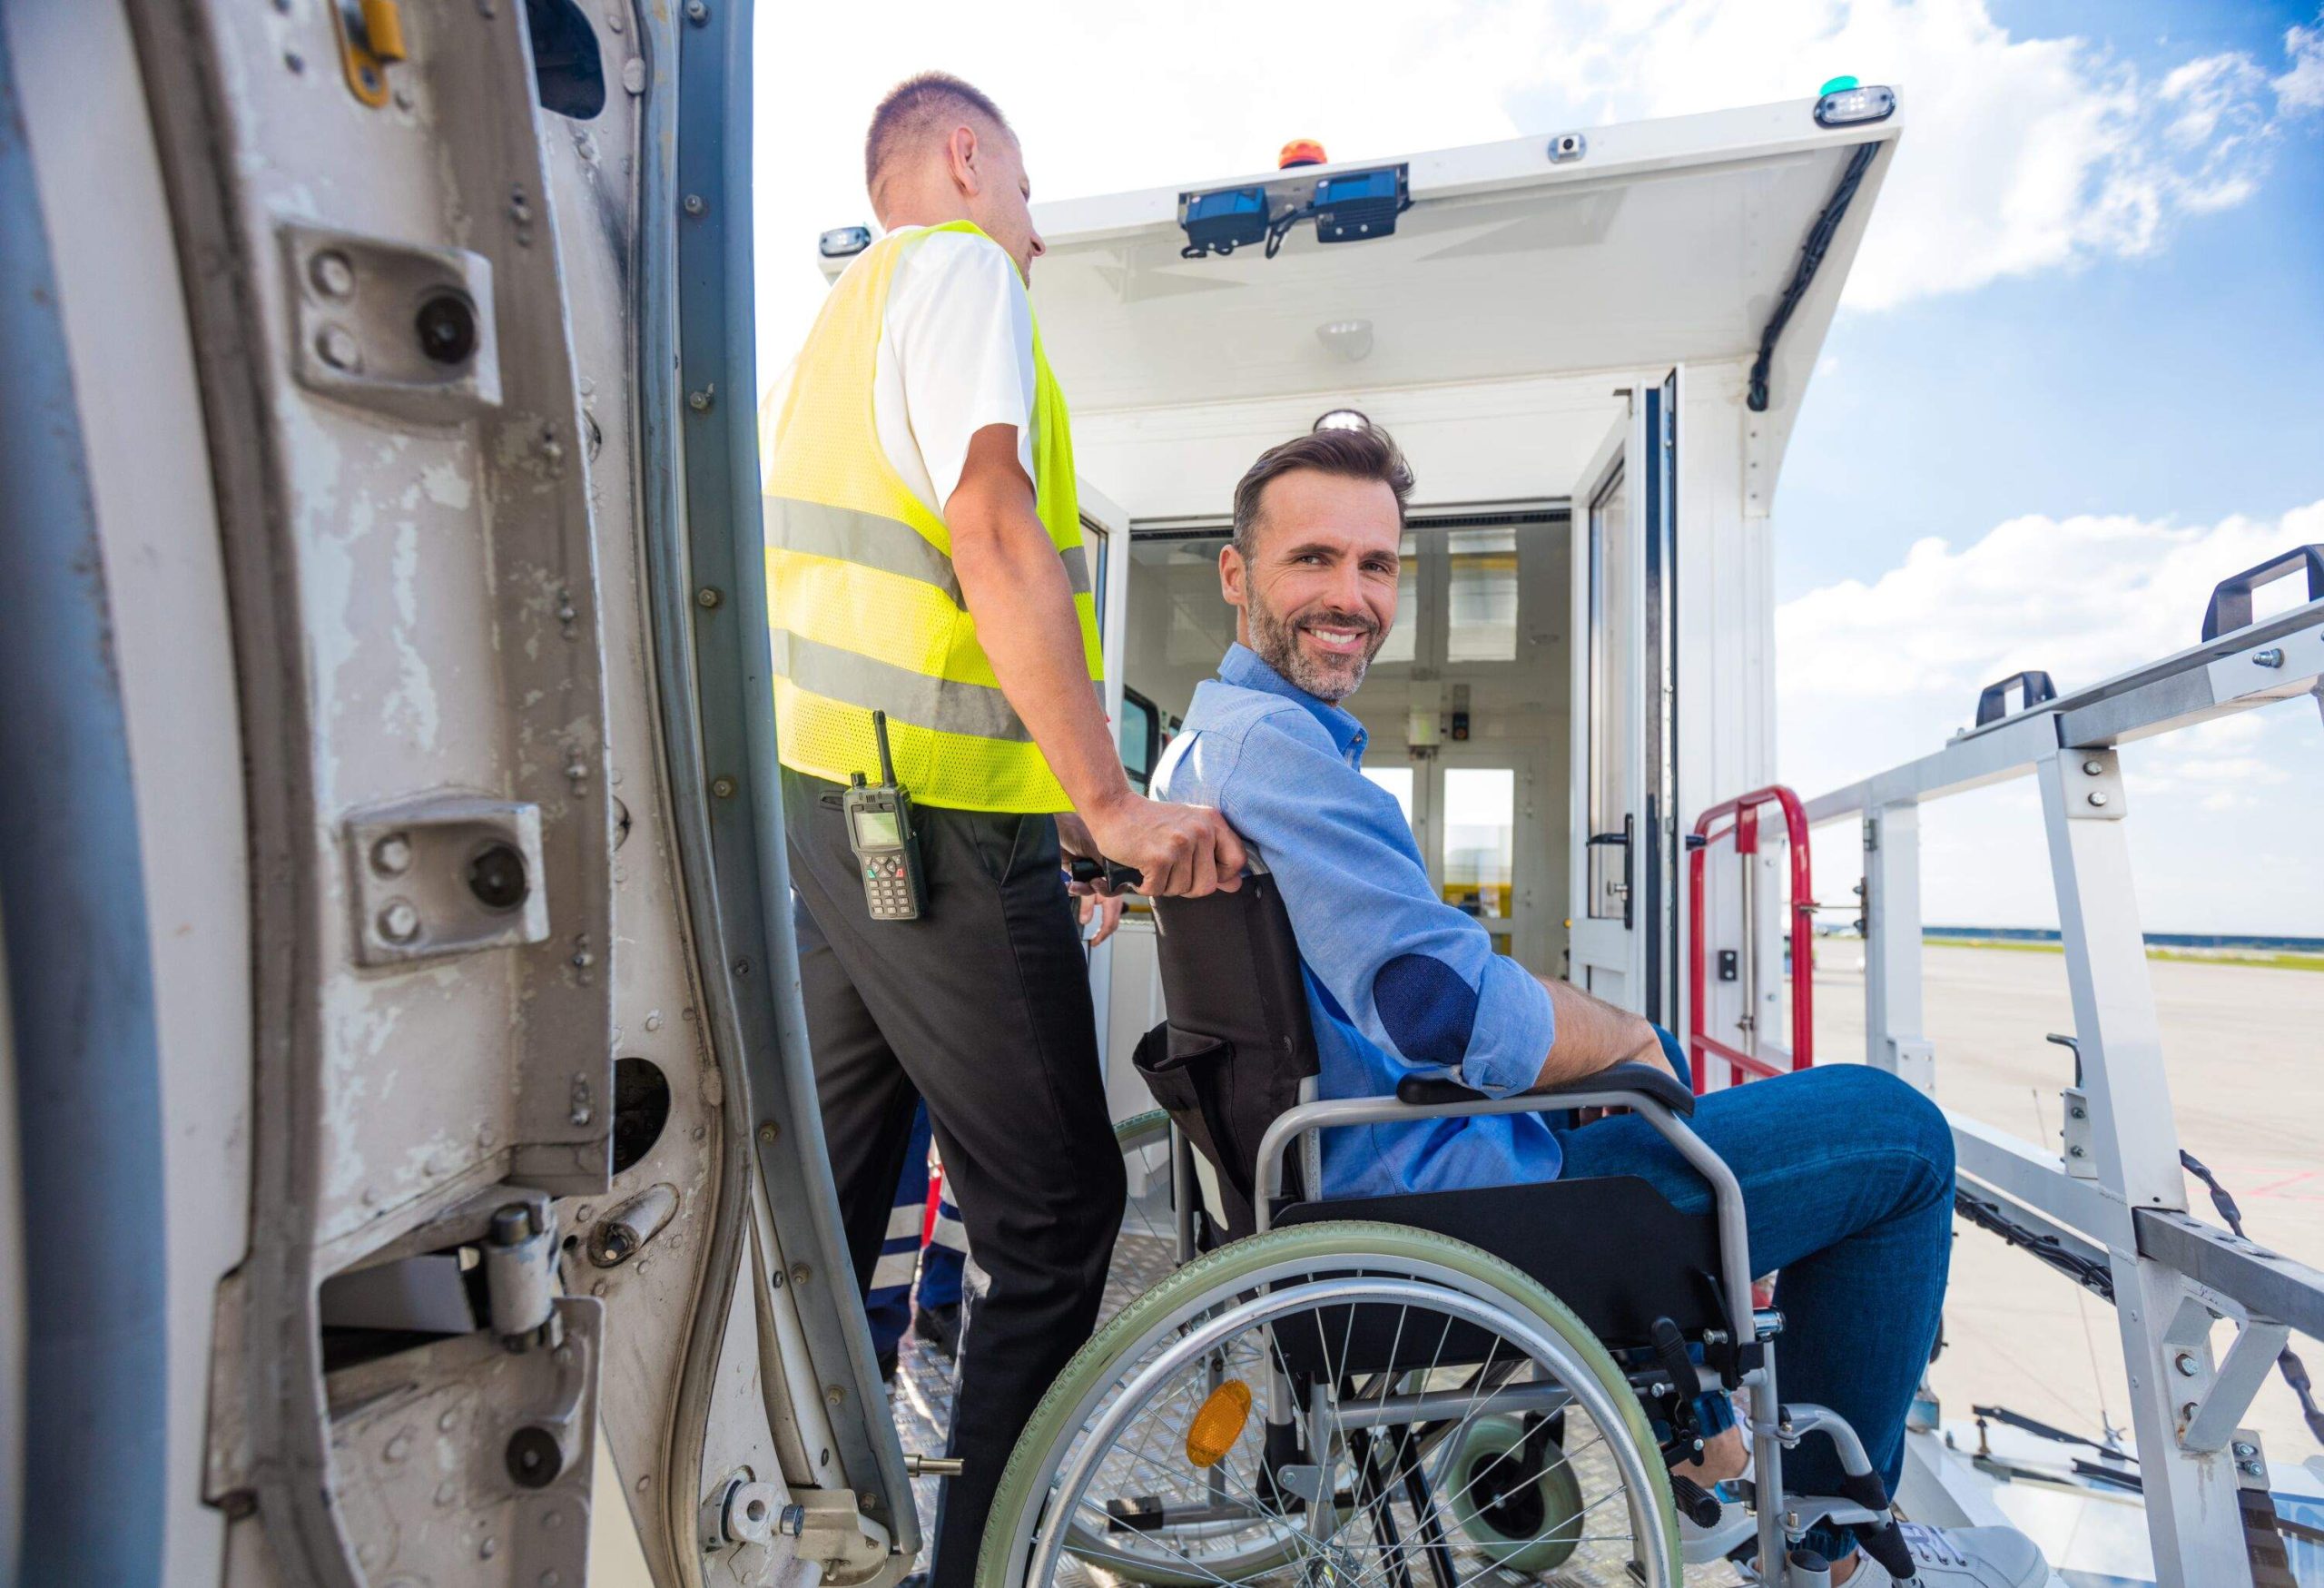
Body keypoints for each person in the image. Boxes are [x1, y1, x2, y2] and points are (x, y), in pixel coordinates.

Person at [1149, 423, 2046, 1588]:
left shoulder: (1203, 748)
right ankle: (1837, 1549)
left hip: (1348, 1189)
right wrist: (1626, 1038)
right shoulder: (1282, 753)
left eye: (1375, 567)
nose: (1351, 596)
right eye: (1312, 559)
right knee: (1895, 1134)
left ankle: (1704, 1451)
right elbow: (1438, 1011)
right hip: (1435, 1224)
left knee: (1614, 1107)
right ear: (1235, 575)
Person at [760, 72, 1245, 1586]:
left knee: (827, 1205)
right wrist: (1107, 796)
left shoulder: (824, 339)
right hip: (941, 822)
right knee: (1057, 1207)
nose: (1033, 237)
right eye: (1028, 194)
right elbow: (990, 526)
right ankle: (976, 1561)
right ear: (968, 161)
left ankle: (797, 1530)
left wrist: (1068, 823)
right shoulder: (960, 267)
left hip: (833, 820)